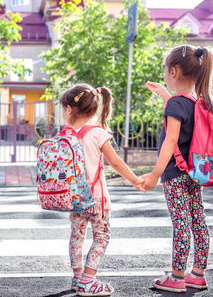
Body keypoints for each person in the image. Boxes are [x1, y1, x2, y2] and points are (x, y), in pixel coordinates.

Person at [142, 45, 213, 293]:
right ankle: (198, 274)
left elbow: (171, 140)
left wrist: (155, 174)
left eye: (166, 71)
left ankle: (176, 278)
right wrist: (165, 94)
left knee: (181, 225)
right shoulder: (199, 102)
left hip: (174, 176)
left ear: (173, 71)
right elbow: (182, 116)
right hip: (194, 173)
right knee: (198, 222)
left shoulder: (175, 105)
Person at [60, 83, 146, 296]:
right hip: (97, 199)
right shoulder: (98, 134)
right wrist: (135, 180)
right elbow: (115, 163)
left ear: (69, 110)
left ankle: (78, 277)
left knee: (76, 237)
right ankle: (88, 281)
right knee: (101, 236)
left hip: (75, 198)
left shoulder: (65, 135)